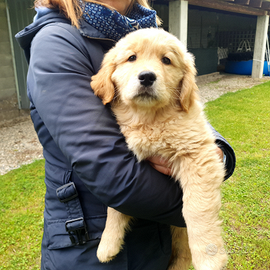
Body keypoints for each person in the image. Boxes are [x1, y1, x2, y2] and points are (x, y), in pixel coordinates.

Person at [16, 0, 236, 269]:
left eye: (165, 60)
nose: (148, 71)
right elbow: (111, 173)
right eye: (132, 58)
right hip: (85, 242)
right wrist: (196, 191)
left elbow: (192, 117)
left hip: (154, 241)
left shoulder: (143, 27)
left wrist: (221, 154)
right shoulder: (57, 42)